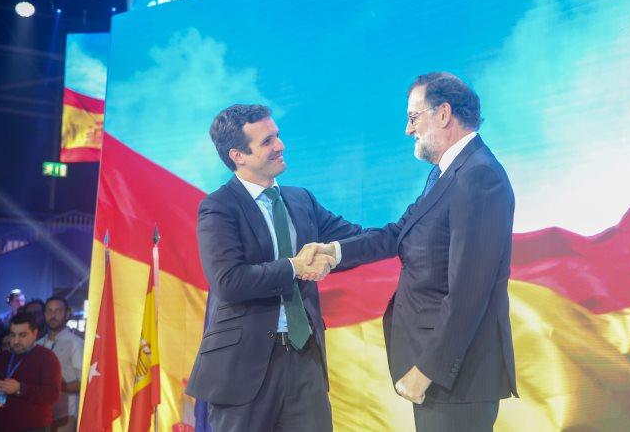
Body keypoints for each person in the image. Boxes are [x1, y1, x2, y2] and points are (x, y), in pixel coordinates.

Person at [312, 72, 517, 431]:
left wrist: (429, 369)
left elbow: (470, 290)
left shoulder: (479, 177)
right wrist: (334, 252)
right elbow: (398, 233)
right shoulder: (446, 174)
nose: (408, 130)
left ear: (443, 114)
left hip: (458, 376)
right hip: (446, 377)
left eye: (413, 117)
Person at [185, 104, 363, 432]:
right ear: (238, 155)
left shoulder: (301, 200)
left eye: (277, 136)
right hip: (243, 368)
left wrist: (412, 228)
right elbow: (229, 281)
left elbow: (357, 239)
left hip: (305, 360)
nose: (280, 145)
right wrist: (293, 267)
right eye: (267, 141)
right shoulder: (218, 207)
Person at [0, 312, 61, 432]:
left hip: (31, 427)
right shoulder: (0, 358)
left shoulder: (47, 357)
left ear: (35, 334)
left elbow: (52, 395)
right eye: (13, 335)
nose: (16, 341)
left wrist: (20, 389)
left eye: (22, 335)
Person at [37, 297, 82, 432]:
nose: (53, 315)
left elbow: (84, 382)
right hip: (40, 413)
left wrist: (54, 387)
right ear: (44, 314)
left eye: (58, 311)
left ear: (67, 314)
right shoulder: (38, 344)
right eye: (49, 311)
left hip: (65, 414)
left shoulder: (76, 343)